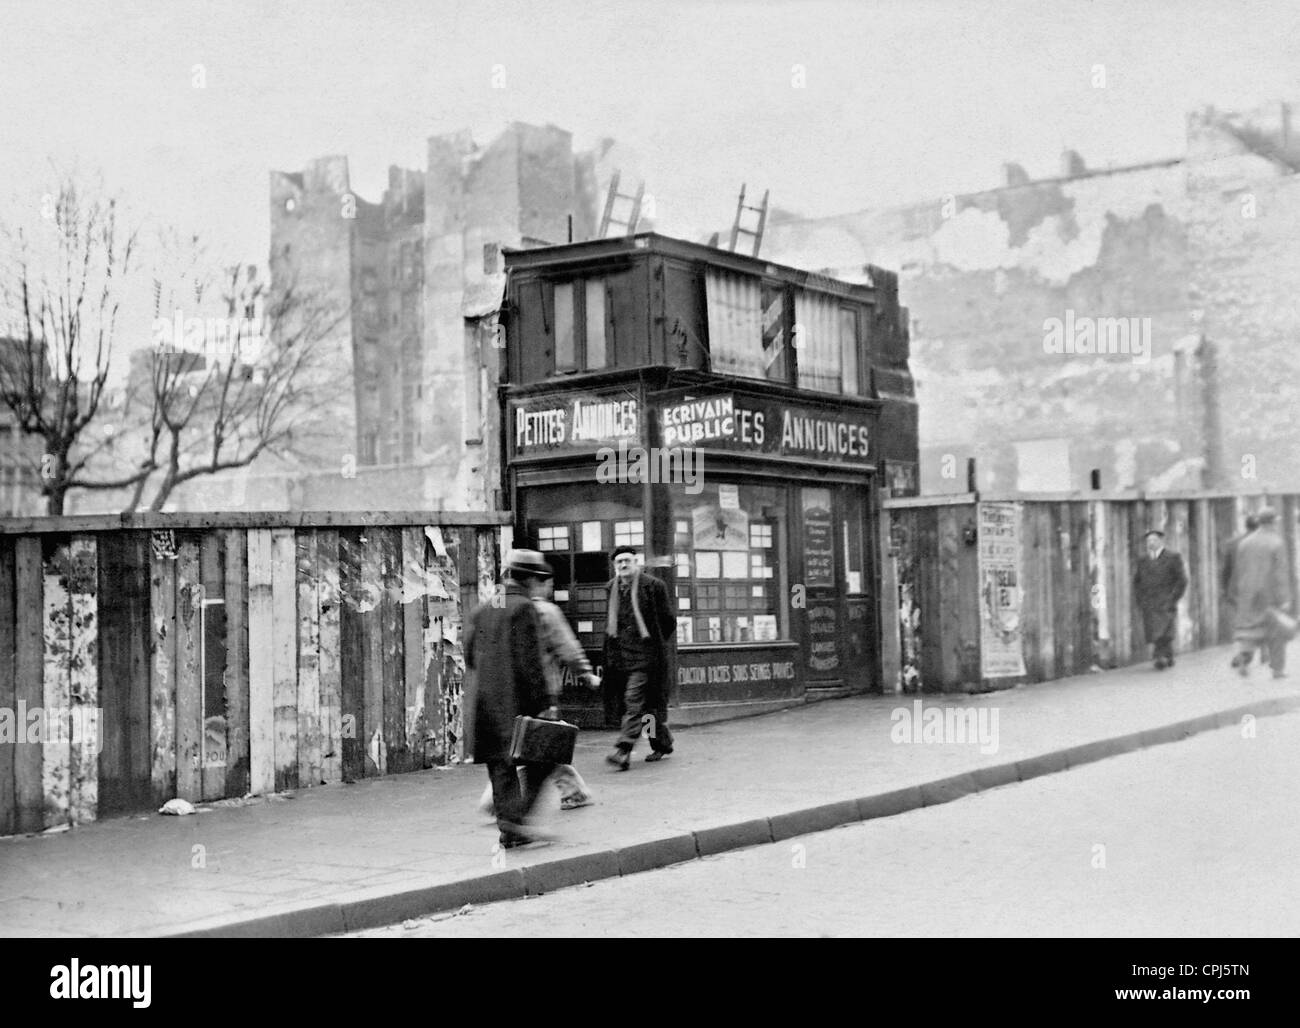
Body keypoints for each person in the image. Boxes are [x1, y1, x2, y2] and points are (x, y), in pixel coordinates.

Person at [463, 549, 558, 848]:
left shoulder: (482, 608)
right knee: (546, 758)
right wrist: (545, 703)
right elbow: (530, 662)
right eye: (538, 578)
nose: (538, 584)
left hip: (485, 703)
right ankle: (517, 820)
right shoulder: (523, 608)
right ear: (528, 578)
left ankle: (510, 830)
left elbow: (469, 656)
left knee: (500, 766)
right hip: (516, 702)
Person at [602, 545, 677, 769]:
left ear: (637, 562)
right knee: (646, 707)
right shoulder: (611, 588)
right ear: (615, 566)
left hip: (646, 658)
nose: (623, 565)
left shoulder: (653, 586)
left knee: (633, 701)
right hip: (619, 658)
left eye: (627, 561)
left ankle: (623, 749)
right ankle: (661, 743)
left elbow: (668, 621)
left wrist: (653, 645)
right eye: (619, 562)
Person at [1227, 507, 1292, 679]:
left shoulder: (1245, 542)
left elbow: (1238, 570)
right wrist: (1284, 598)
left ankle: (1244, 654)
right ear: (1273, 522)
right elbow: (1280, 573)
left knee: (1249, 628)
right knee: (1276, 631)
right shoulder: (1276, 542)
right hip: (1269, 594)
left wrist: (1236, 592)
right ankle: (1277, 669)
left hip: (1247, 594)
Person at [1133, 528, 1188, 670]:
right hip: (1149, 601)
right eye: (1148, 541)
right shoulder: (1143, 560)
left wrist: (1173, 598)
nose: (1151, 543)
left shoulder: (1173, 557)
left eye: (1154, 540)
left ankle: (1159, 657)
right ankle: (1167, 655)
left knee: (1163, 630)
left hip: (1166, 600)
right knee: (1155, 630)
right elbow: (1137, 581)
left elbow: (1181, 580)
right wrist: (1140, 598)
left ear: (1161, 541)